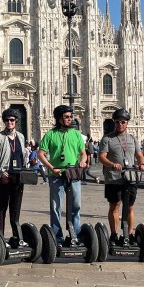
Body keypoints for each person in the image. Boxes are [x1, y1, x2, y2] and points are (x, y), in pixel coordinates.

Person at [37, 105, 88, 247]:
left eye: (71, 117)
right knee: (55, 206)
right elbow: (40, 154)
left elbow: (83, 153)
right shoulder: (50, 134)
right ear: (59, 118)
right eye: (66, 117)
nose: (70, 119)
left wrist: (83, 161)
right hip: (56, 174)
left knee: (76, 205)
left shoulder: (76, 134)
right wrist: (51, 167)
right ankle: (57, 237)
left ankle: (76, 235)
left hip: (73, 173)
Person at [99, 108, 144, 243]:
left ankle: (129, 234)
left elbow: (139, 155)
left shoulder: (132, 138)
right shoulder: (107, 138)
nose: (119, 124)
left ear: (127, 123)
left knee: (130, 206)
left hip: (130, 177)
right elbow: (102, 157)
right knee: (114, 206)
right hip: (113, 178)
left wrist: (142, 163)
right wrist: (112, 164)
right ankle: (114, 234)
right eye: (117, 122)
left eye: (122, 122)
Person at [0, 108, 28, 240]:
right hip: (4, 177)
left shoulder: (21, 137)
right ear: (4, 122)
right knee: (3, 206)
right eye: (7, 120)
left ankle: (16, 235)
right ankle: (0, 236)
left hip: (18, 175)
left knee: (15, 207)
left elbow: (22, 155)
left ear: (16, 121)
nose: (9, 122)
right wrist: (0, 172)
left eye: (12, 120)